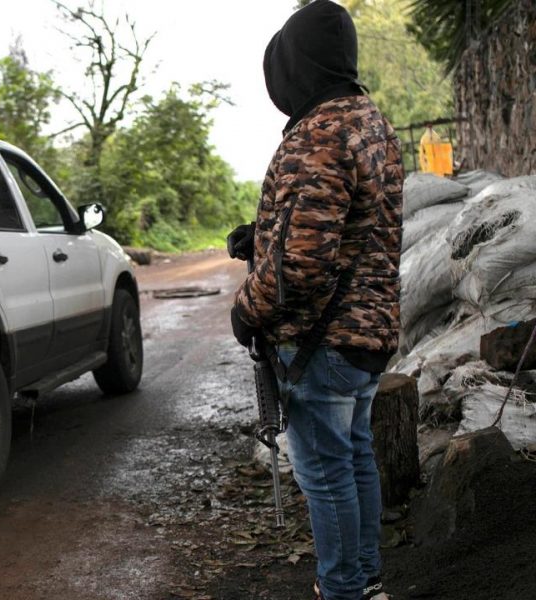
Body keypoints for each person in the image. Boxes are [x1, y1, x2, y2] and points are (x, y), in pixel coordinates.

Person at [226, 1, 403, 599]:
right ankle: (367, 582)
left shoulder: (318, 134)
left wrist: (246, 310)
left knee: (327, 478)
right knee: (355, 461)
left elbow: (300, 267)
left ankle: (344, 591)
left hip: (321, 342)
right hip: (367, 334)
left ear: (296, 64)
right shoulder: (367, 122)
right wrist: (263, 237)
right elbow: (351, 225)